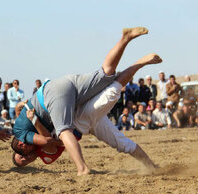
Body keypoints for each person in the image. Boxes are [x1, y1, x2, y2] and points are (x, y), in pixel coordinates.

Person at [12, 27, 162, 175]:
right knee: (106, 74)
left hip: (78, 116)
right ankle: (125, 39)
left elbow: (46, 135)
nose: (26, 159)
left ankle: (82, 169)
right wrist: (32, 117)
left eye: (22, 156)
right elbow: (48, 141)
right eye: (25, 162)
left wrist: (28, 114)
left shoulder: (24, 136)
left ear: (20, 145)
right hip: (70, 99)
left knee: (68, 128)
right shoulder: (45, 156)